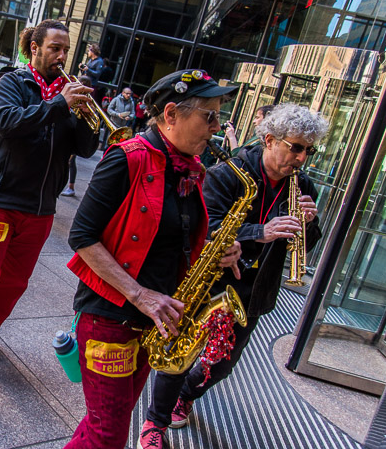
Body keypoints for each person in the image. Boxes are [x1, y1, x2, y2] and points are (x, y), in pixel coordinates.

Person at [63, 69, 242, 448]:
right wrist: (140, 295)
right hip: (110, 317)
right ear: (172, 114)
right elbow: (81, 236)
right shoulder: (127, 158)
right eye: (208, 116)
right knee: (109, 433)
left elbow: (171, 237)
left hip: (154, 321)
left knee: (108, 420)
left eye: (218, 117)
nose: (216, 127)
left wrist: (215, 252)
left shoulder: (190, 171)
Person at [140, 103, 328, 449]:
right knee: (181, 354)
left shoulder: (303, 186)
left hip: (255, 289)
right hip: (212, 280)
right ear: (270, 139)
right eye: (296, 147)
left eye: (309, 150)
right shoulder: (230, 173)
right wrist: (260, 231)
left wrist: (310, 224)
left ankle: (187, 395)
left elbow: (305, 245)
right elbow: (203, 225)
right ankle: (155, 422)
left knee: (223, 366)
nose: (302, 158)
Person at [0, 19, 100, 394]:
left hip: (40, 207)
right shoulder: (12, 83)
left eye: (66, 49)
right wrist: (58, 104)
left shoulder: (69, 95)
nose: (63, 56)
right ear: (34, 49)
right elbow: (7, 123)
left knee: (15, 281)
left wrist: (87, 119)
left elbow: (83, 150)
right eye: (55, 48)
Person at [61, 75, 93, 198]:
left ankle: (71, 187)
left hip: (74, 136)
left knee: (71, 162)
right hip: (67, 135)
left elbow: (86, 149)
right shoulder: (71, 96)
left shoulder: (86, 101)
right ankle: (70, 187)